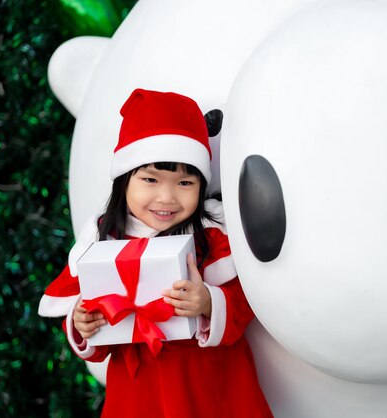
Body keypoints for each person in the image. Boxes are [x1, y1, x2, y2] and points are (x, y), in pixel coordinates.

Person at [38, 88, 273, 417]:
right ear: (124, 180)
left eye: (184, 183)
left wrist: (208, 302)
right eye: (150, 179)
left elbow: (246, 303)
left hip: (208, 382)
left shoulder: (212, 235)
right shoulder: (101, 240)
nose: (166, 198)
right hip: (137, 388)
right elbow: (90, 331)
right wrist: (82, 322)